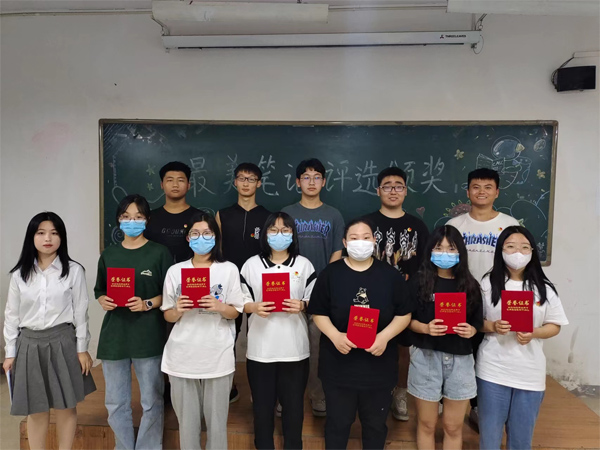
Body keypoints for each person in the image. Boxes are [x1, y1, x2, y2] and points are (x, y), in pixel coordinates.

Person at [307, 217, 412, 450]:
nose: (360, 242)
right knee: (337, 425)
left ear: (374, 241)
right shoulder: (331, 274)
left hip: (378, 367)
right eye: (354, 238)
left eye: (366, 237)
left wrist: (384, 337)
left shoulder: (390, 275)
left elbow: (404, 314)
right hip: (338, 366)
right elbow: (318, 312)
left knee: (375, 426)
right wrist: (335, 335)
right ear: (345, 243)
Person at [3, 212, 96, 449]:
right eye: (41, 232)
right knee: (36, 409)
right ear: (31, 237)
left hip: (63, 341)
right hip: (29, 344)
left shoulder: (74, 270)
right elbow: (11, 316)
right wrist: (10, 353)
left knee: (66, 406)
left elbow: (81, 312)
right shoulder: (19, 275)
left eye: (54, 233)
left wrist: (82, 348)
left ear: (61, 237)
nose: (48, 238)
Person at [477, 226, 568, 450]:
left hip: (529, 373)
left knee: (521, 440)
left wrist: (533, 332)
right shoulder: (488, 283)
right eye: (510, 246)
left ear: (532, 252)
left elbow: (555, 325)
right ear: (500, 250)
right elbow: (476, 322)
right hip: (493, 370)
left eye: (525, 247)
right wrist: (493, 326)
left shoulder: (544, 288)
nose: (518, 252)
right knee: (489, 438)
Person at [161, 211, 244, 450]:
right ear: (188, 238)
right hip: (182, 356)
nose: (201, 238)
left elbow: (236, 312)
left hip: (217, 355)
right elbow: (167, 314)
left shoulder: (228, 269)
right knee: (187, 426)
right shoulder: (176, 271)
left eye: (207, 233)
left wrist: (219, 307)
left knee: (217, 426)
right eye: (195, 233)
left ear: (215, 237)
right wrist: (178, 309)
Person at [95, 194, 173, 450]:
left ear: (147, 220)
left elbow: (170, 295)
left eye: (138, 217)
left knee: (152, 400)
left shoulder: (159, 253)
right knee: (115, 402)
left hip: (148, 336)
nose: (132, 221)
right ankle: (124, 446)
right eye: (126, 217)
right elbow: (100, 290)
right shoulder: (109, 254)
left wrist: (147, 303)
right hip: (114, 337)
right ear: (119, 220)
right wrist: (103, 300)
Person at [446, 168, 519, 426]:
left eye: (488, 187)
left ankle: (480, 408)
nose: (481, 192)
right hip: (459, 297)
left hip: (495, 298)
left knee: (486, 354)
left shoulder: (510, 225)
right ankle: (450, 401)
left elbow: (517, 263)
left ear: (497, 192)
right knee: (457, 349)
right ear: (468, 192)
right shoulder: (454, 225)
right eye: (476, 187)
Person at [240, 212, 316, 449]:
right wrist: (254, 307)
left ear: (293, 234)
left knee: (294, 409)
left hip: (294, 350)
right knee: (262, 409)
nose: (279, 235)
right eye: (273, 230)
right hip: (260, 350)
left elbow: (315, 300)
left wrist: (302, 305)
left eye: (285, 230)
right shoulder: (251, 265)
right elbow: (240, 301)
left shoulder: (304, 265)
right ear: (265, 234)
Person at [407, 225, 483, 449]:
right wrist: (425, 328)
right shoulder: (418, 282)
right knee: (427, 424)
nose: (445, 254)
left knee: (453, 427)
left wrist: (471, 330)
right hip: (426, 357)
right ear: (430, 250)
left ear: (460, 252)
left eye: (451, 249)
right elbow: (406, 320)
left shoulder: (470, 285)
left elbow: (477, 322)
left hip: (460, 360)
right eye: (439, 248)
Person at [364, 166, 430, 421]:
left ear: (406, 191)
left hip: (406, 299)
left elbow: (426, 265)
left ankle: (400, 393)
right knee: (370, 343)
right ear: (378, 190)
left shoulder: (418, 226)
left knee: (404, 348)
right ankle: (372, 392)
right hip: (371, 297)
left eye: (399, 186)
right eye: (387, 186)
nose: (393, 191)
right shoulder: (366, 224)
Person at [282, 158, 344, 417]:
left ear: (324, 181)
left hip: (321, 293)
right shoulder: (287, 214)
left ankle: (318, 395)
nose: (311, 182)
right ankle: (286, 398)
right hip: (290, 292)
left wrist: (324, 284)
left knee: (318, 348)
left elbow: (337, 252)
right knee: (288, 348)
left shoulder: (333, 215)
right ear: (297, 182)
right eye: (306, 177)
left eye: (316, 177)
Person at [216, 162, 271, 403]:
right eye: (241, 178)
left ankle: (262, 390)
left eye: (251, 179)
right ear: (235, 182)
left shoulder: (268, 216)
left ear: (259, 183)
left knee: (260, 337)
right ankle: (228, 385)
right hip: (229, 284)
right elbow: (216, 250)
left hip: (259, 286)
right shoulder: (222, 215)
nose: (246, 183)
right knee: (227, 336)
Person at [145, 161, 202, 263]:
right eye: (170, 180)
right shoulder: (149, 218)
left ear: (188, 185)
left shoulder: (201, 218)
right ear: (162, 185)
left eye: (180, 180)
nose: (175, 185)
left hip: (191, 271)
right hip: (157, 272)